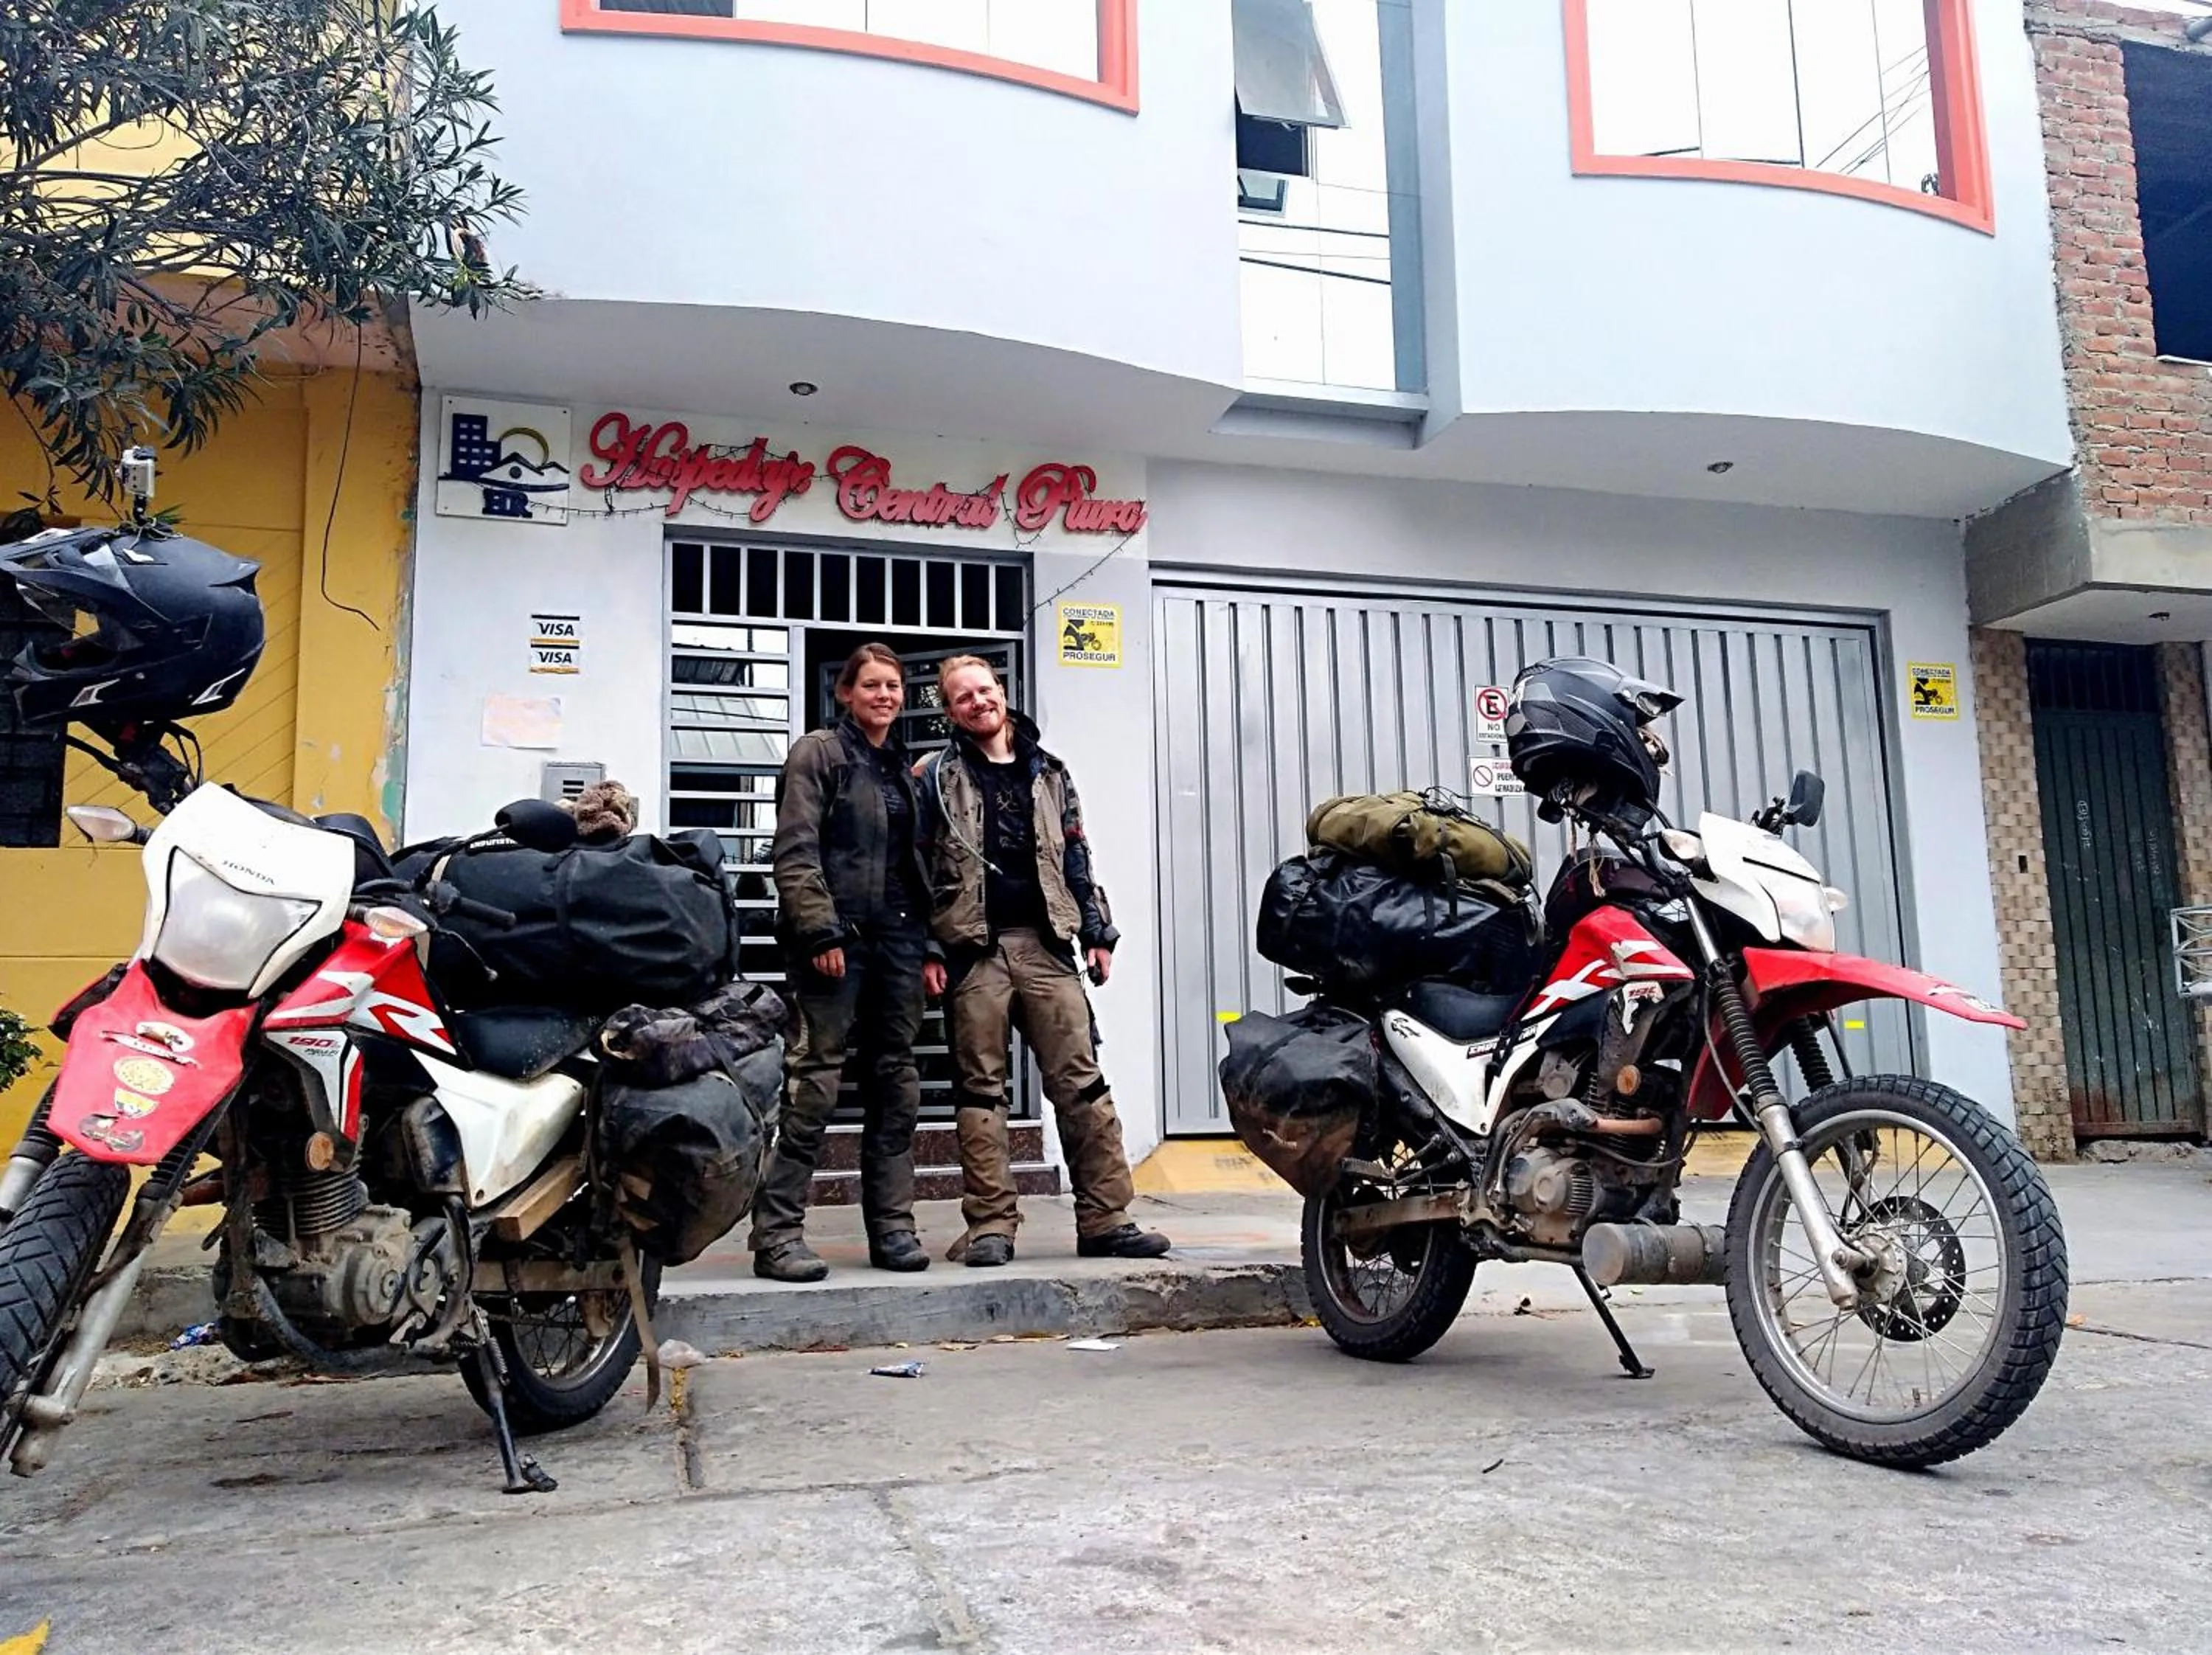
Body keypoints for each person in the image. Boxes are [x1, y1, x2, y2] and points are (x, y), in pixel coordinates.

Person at [916, 656, 1170, 1267]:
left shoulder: (1050, 772)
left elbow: (1076, 854)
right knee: (981, 1094)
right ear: (949, 711)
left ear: (1002, 693)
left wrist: (1097, 932)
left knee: (1083, 1086)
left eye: (984, 690)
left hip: (1049, 944)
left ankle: (1106, 1220)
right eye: (962, 697)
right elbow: (916, 868)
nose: (977, 702)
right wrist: (928, 949)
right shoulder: (933, 776)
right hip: (973, 949)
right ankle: (991, 1228)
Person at [748, 643, 932, 1282]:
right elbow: (795, 850)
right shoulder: (818, 753)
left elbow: (918, 867)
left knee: (897, 1086)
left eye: (894, 686)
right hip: (834, 947)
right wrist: (821, 933)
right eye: (873, 685)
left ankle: (893, 1229)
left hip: (897, 948)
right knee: (813, 1087)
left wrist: (928, 948)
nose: (885, 696)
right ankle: (776, 1237)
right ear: (845, 694)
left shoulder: (899, 768)